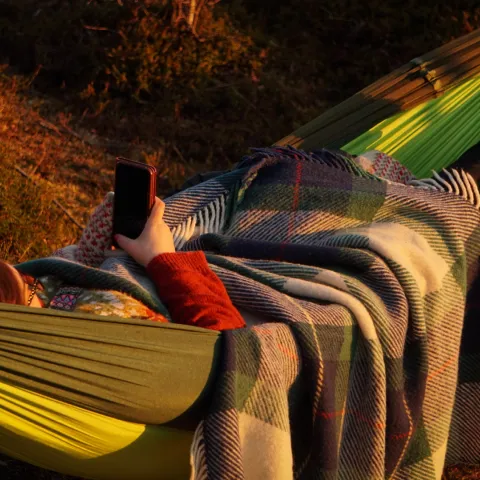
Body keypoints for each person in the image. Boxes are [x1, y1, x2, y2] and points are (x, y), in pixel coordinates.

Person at [0, 198, 245, 331]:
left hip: (133, 259)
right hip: (185, 281)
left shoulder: (33, 289)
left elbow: (57, 283)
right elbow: (226, 335)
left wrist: (86, 260)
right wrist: (163, 260)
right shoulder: (95, 331)